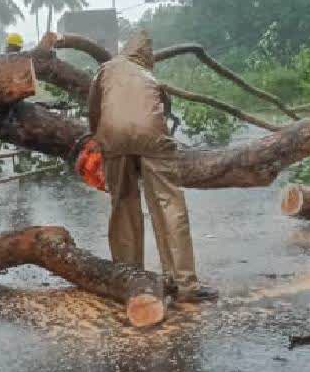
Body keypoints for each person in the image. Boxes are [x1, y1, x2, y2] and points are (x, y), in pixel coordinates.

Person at [86, 30, 217, 303]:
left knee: (122, 204)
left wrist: (97, 139)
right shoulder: (148, 75)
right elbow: (164, 110)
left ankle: (129, 278)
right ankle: (184, 284)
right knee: (169, 207)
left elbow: (94, 109)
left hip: (113, 139)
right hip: (153, 140)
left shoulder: (106, 69)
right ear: (146, 55)